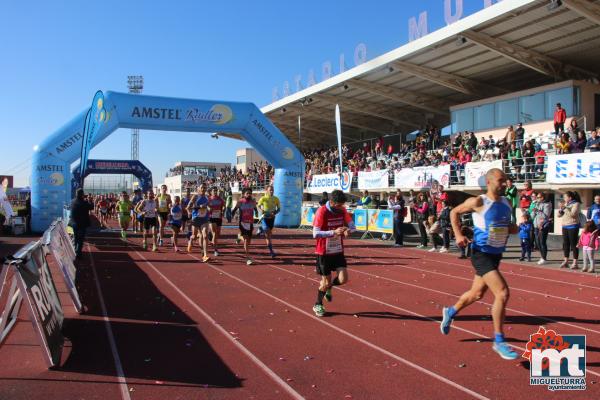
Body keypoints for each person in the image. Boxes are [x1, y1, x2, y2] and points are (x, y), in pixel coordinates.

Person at [440, 168, 519, 360]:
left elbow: (509, 227)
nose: (504, 184)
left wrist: (513, 227)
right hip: (480, 253)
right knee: (502, 292)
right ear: (489, 181)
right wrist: (458, 234)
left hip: (495, 255)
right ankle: (499, 341)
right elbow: (454, 212)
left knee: (477, 293)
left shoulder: (507, 203)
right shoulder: (479, 201)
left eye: (505, 181)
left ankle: (450, 312)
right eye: (501, 180)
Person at [312, 189, 356, 317]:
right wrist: (333, 232)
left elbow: (353, 227)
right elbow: (315, 233)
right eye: (338, 205)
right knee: (324, 283)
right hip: (324, 252)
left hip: (337, 250)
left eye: (342, 205)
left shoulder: (342, 210)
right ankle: (318, 304)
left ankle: (329, 287)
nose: (341, 208)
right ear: (331, 202)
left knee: (343, 279)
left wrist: (348, 230)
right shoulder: (322, 211)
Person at [232, 187, 258, 265]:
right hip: (242, 223)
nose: (249, 195)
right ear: (243, 194)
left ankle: (239, 237)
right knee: (246, 240)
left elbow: (255, 209)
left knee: (248, 240)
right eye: (247, 193)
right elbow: (234, 210)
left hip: (250, 223)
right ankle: (247, 258)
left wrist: (256, 213)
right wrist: (232, 215)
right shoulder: (240, 202)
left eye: (250, 193)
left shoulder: (253, 202)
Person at [187, 184, 210, 262]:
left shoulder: (207, 197)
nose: (203, 189)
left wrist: (209, 208)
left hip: (204, 219)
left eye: (205, 187)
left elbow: (208, 206)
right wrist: (199, 207)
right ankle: (190, 240)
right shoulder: (195, 197)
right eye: (202, 188)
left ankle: (205, 255)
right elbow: (188, 207)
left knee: (205, 236)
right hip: (196, 219)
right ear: (199, 189)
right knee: (194, 236)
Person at [558, 191, 581, 269]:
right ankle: (566, 261)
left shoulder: (576, 204)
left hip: (573, 226)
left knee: (573, 244)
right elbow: (558, 215)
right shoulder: (565, 205)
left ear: (570, 198)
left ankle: (575, 262)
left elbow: (573, 214)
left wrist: (565, 208)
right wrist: (561, 210)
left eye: (565, 197)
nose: (564, 198)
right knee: (566, 244)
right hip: (565, 226)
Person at [68, 188, 93, 259]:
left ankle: (75, 251)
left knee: (76, 238)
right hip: (82, 224)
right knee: (80, 239)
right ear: (82, 194)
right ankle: (78, 254)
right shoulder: (84, 202)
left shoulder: (72, 201)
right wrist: (90, 200)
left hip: (73, 223)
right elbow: (91, 207)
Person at [257, 185, 281, 258]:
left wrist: (275, 213)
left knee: (268, 236)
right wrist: (262, 210)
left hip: (272, 219)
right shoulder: (263, 198)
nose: (271, 191)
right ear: (266, 191)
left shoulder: (276, 199)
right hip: (265, 218)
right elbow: (258, 205)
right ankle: (271, 252)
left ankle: (261, 229)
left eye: (272, 190)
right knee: (266, 231)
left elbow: (279, 209)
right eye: (270, 190)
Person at [532, 192, 552, 265]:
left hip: (543, 225)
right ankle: (542, 256)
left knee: (542, 242)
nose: (537, 199)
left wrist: (538, 211)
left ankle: (544, 258)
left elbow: (546, 216)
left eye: (538, 197)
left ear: (542, 198)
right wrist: (533, 212)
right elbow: (533, 214)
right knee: (537, 242)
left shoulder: (547, 204)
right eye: (537, 197)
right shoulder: (538, 204)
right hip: (536, 225)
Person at [208, 187, 225, 257]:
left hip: (219, 217)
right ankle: (216, 250)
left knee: (217, 234)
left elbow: (224, 206)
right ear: (211, 192)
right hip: (211, 217)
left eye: (216, 191)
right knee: (214, 233)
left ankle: (211, 237)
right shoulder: (209, 199)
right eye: (214, 191)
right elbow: (206, 206)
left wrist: (223, 210)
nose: (215, 192)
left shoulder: (220, 199)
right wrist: (209, 208)